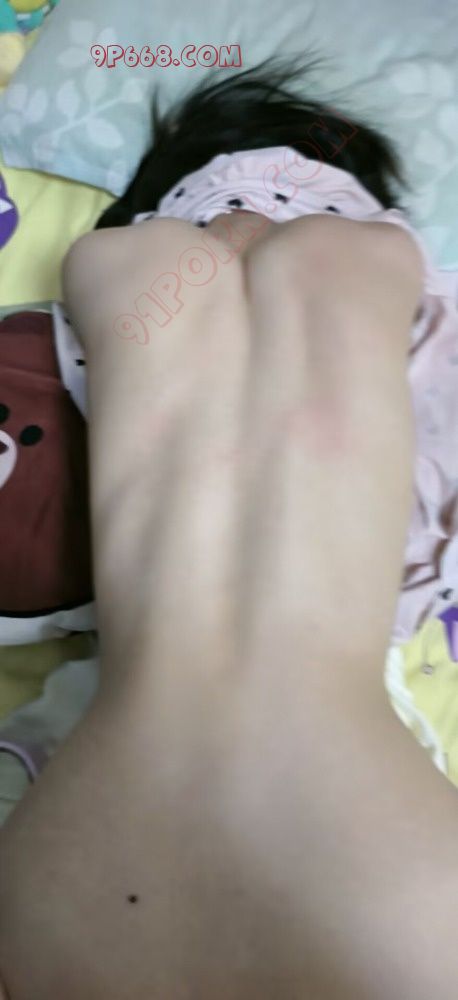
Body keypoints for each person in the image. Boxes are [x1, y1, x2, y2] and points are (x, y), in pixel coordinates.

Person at [0, 61, 457, 1000]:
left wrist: (224, 232)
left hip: (90, 855)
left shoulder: (116, 268)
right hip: (368, 850)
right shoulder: (374, 261)